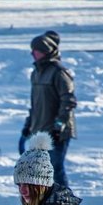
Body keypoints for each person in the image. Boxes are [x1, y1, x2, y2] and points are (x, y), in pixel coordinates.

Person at [19, 30, 77, 189]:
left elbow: (69, 101)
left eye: (35, 50)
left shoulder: (59, 73)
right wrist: (28, 125)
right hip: (40, 130)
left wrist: (59, 125)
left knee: (55, 170)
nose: (32, 53)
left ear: (45, 51)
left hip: (56, 132)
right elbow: (35, 105)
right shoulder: (36, 73)